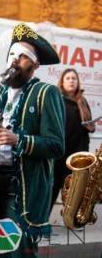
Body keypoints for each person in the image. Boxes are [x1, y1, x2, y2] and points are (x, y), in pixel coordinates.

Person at [0, 23, 65, 257]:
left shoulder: (47, 92)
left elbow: (56, 145)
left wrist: (17, 139)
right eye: (12, 54)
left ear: (35, 65)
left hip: (23, 191)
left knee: (19, 252)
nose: (15, 60)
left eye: (23, 56)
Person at [50, 68, 95, 213]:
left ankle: (71, 219)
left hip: (78, 152)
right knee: (53, 187)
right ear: (62, 82)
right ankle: (41, 221)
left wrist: (90, 124)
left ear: (78, 82)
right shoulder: (56, 99)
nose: (71, 81)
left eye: (74, 78)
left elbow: (88, 124)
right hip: (60, 152)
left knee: (74, 189)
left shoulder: (82, 101)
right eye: (68, 78)